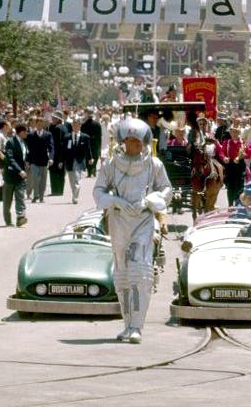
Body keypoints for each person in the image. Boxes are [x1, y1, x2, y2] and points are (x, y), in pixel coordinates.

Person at [93, 118, 172, 344]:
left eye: (136, 142)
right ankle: (127, 324)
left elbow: (166, 189)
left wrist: (149, 201)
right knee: (122, 274)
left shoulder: (153, 164)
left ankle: (137, 325)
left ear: (144, 142)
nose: (132, 146)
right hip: (119, 222)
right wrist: (115, 200)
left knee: (140, 271)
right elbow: (98, 191)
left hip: (142, 222)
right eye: (128, 141)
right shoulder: (111, 164)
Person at [3, 123, 29, 227]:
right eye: (26, 131)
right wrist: (19, 170)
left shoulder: (24, 143)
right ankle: (8, 220)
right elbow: (10, 158)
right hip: (11, 175)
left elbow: (24, 156)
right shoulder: (10, 142)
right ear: (21, 132)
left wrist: (27, 163)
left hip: (21, 177)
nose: (27, 133)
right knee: (7, 200)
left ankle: (20, 217)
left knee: (20, 196)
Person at [64, 117, 92, 204]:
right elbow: (64, 150)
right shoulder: (67, 137)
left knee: (77, 178)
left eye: (77, 125)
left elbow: (88, 149)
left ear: (80, 126)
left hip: (79, 161)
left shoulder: (85, 137)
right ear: (72, 126)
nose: (75, 127)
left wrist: (90, 158)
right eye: (74, 125)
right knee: (72, 179)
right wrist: (61, 161)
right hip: (69, 161)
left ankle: (75, 197)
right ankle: (74, 194)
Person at [26, 117, 54, 203]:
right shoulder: (31, 135)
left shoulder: (48, 134)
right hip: (34, 160)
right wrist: (27, 160)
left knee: (43, 179)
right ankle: (35, 196)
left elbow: (51, 147)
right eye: (38, 124)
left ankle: (41, 196)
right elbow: (28, 149)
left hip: (43, 160)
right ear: (36, 124)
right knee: (35, 178)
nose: (40, 125)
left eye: (41, 124)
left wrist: (51, 158)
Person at [222, 126, 245, 207]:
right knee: (230, 187)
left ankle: (238, 204)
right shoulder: (226, 142)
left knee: (240, 186)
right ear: (230, 133)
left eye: (236, 132)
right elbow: (222, 152)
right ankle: (230, 204)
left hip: (240, 166)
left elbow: (247, 151)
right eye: (232, 132)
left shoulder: (242, 142)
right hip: (230, 166)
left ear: (239, 133)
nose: (234, 134)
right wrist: (224, 157)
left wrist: (242, 156)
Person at [48, 111, 68, 196]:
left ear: (58, 119)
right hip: (62, 154)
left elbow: (58, 143)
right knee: (60, 172)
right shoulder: (64, 127)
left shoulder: (57, 128)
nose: (52, 119)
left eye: (54, 118)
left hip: (57, 154)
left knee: (55, 172)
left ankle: (56, 190)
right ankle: (59, 190)